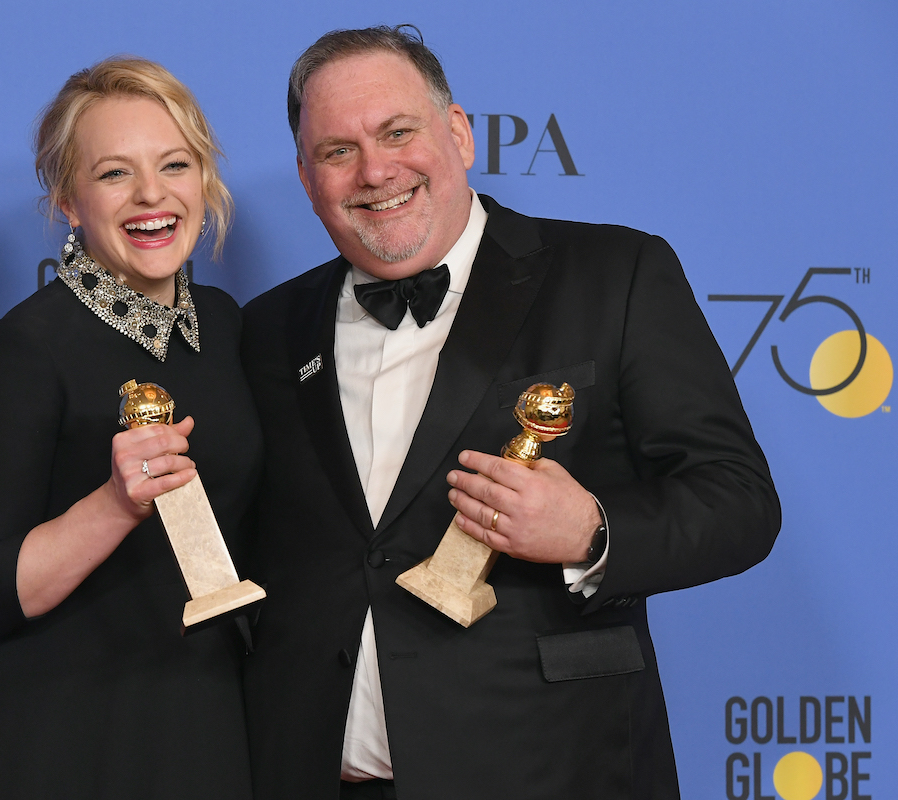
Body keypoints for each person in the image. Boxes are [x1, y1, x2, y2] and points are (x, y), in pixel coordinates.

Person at [239, 25, 781, 800]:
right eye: (337, 151)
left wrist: (592, 531)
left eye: (398, 132)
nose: (375, 170)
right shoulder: (266, 328)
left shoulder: (616, 273)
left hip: (551, 770)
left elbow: (739, 502)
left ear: (458, 133)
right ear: (305, 175)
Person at [0, 57, 259, 799]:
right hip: (55, 742)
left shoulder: (227, 327)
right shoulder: (18, 354)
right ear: (68, 201)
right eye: (114, 174)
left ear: (203, 179)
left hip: (202, 727)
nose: (151, 194)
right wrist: (113, 505)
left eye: (175, 164)